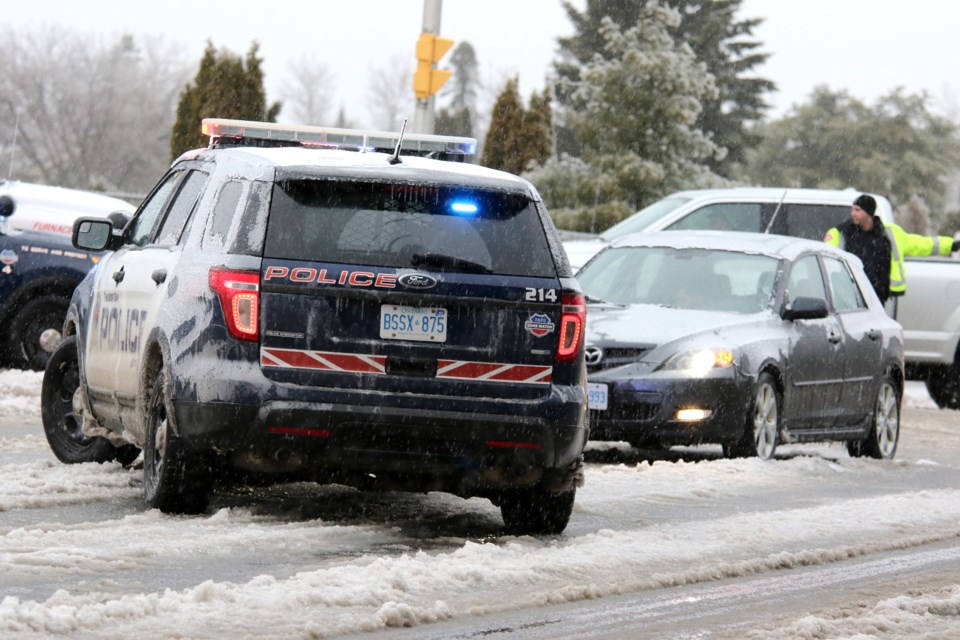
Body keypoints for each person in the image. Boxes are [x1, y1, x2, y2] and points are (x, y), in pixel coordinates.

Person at [824, 194, 960, 305]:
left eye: (857, 210)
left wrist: (951, 245)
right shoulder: (842, 233)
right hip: (849, 297)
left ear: (869, 212)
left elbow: (920, 244)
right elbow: (825, 255)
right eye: (852, 209)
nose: (852, 213)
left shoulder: (889, 233)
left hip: (877, 296)